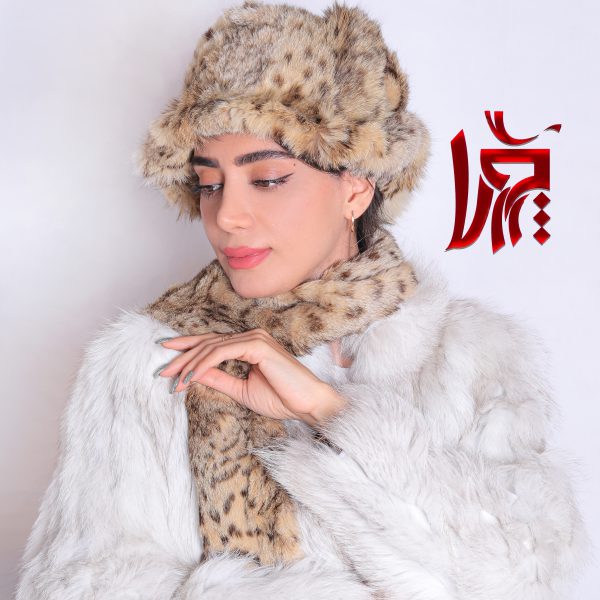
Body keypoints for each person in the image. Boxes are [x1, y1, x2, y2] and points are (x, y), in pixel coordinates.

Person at [15, 1, 589, 598]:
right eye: (209, 184)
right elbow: (80, 585)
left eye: (267, 180)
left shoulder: (468, 352)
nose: (227, 216)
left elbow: (528, 572)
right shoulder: (157, 361)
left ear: (356, 187)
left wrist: (330, 413)